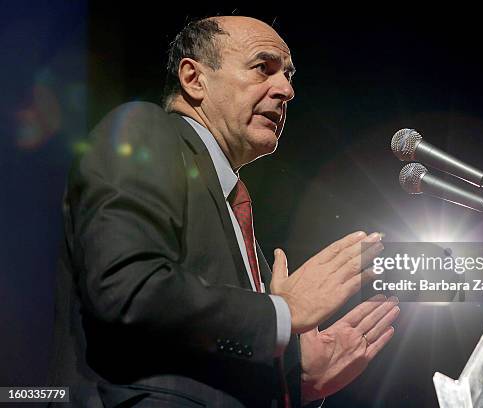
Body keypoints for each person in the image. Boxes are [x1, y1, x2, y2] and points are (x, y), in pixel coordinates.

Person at [49, 16, 399, 407]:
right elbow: (127, 289)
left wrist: (298, 380)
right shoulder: (144, 131)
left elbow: (204, 355)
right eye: (262, 67)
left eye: (287, 75)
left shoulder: (229, 206)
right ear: (194, 79)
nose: (286, 90)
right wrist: (282, 313)